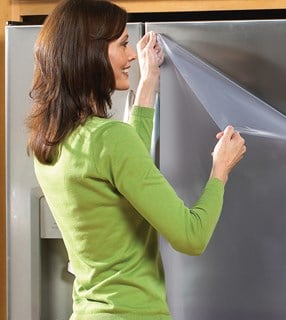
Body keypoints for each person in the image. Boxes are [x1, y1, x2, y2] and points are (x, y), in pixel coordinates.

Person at [26, 0, 246, 319]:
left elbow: (127, 165)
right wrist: (220, 169)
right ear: (91, 54)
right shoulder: (110, 139)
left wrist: (148, 81)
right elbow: (191, 236)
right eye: (123, 44)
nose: (131, 55)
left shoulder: (50, 141)